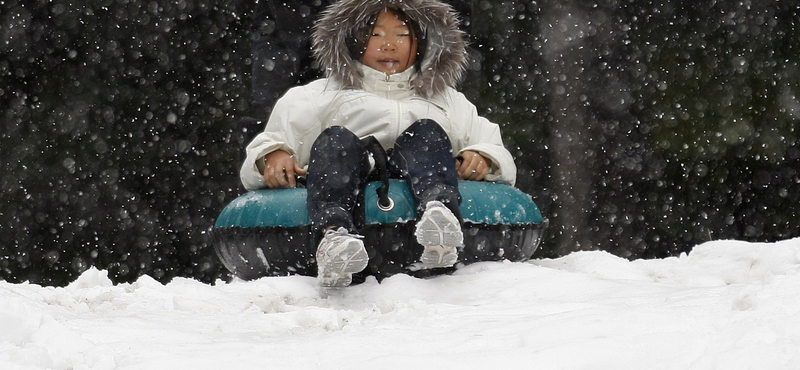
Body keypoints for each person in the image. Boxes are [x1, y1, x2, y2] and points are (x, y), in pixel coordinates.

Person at [241, 0, 516, 287]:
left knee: (427, 133)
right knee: (336, 140)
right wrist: (271, 156)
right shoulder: (321, 95)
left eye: (402, 34)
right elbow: (273, 138)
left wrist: (482, 157)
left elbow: (493, 145)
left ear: (423, 42)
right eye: (375, 34)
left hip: (419, 175)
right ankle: (335, 235)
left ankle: (439, 217)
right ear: (351, 39)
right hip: (348, 175)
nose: (389, 45)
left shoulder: (445, 100)